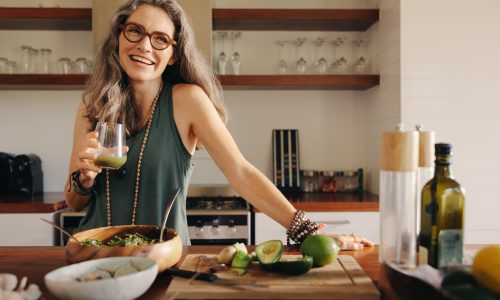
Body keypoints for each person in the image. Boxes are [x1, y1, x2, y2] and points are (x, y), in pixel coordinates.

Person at [64, 0, 373, 250]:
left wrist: (305, 231)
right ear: (120, 36)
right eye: (135, 31)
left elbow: (241, 172)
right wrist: (84, 180)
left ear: (172, 54)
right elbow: (74, 202)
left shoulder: (187, 100)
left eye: (160, 39)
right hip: (93, 254)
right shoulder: (91, 105)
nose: (145, 46)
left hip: (163, 257)